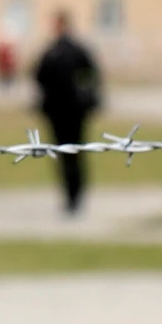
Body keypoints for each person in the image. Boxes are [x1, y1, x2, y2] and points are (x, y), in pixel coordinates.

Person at [31, 11, 103, 216]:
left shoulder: (66, 51)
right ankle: (71, 195)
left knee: (72, 152)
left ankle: (75, 195)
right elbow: (39, 76)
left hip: (72, 110)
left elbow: (91, 75)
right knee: (65, 154)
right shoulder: (56, 51)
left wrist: (88, 97)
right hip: (61, 111)